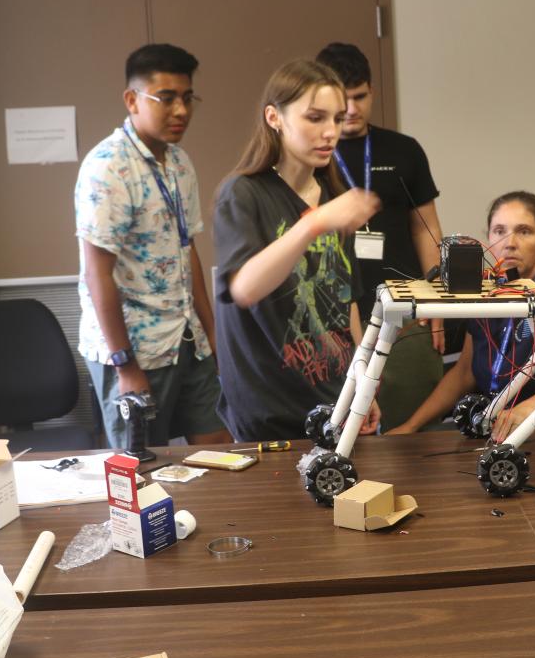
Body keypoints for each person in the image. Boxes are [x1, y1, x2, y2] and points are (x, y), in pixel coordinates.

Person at [212, 60, 382, 442]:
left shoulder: (333, 194)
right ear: (274, 117)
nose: (329, 133)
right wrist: (313, 224)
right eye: (314, 118)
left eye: (337, 119)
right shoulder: (243, 193)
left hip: (334, 402)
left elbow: (347, 299)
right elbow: (244, 288)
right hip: (270, 412)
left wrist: (360, 382)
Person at [75, 44, 229, 449]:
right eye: (166, 98)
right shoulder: (108, 167)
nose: (180, 110)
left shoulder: (179, 162)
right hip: (134, 348)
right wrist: (126, 365)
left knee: (217, 448)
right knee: (145, 468)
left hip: (185, 337)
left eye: (186, 98)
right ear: (132, 100)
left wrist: (213, 335)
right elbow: (97, 273)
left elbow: (186, 250)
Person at [388, 192, 535, 440]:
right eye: (499, 231)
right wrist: (411, 426)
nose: (509, 242)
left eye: (524, 231)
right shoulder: (487, 289)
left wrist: (519, 413)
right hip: (494, 426)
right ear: (488, 238)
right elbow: (465, 371)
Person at [314, 42, 446, 430]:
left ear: (372, 91)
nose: (352, 109)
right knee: (344, 427)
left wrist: (438, 299)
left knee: (410, 425)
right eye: (343, 99)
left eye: (360, 96)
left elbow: (427, 228)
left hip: (403, 306)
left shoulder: (403, 150)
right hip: (335, 312)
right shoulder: (314, 155)